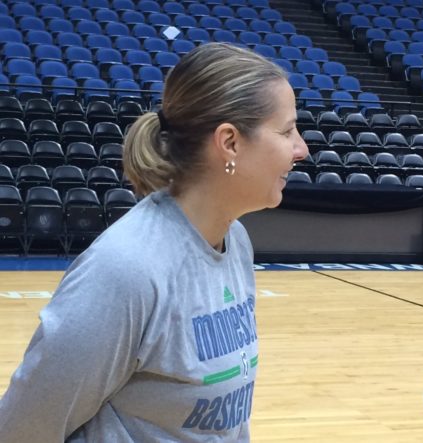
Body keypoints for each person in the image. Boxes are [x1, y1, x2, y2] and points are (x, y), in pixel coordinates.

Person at [0, 42, 308, 441]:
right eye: (286, 131)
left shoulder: (234, 239)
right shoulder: (126, 269)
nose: (301, 148)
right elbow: (24, 428)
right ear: (229, 142)